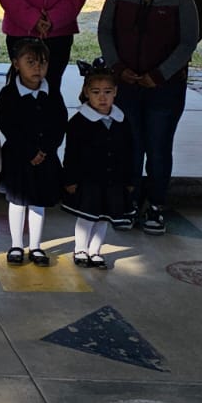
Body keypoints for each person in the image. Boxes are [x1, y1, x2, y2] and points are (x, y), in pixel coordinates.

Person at [99, 0, 199, 234]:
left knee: (158, 148)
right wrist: (118, 68)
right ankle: (128, 204)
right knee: (130, 147)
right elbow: (105, 31)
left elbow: (187, 42)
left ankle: (155, 205)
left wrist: (159, 74)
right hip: (126, 84)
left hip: (164, 88)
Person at [0, 38, 64, 267]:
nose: (37, 68)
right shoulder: (8, 94)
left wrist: (45, 150)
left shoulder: (53, 93)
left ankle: (36, 246)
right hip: (18, 158)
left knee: (38, 202)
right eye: (31, 62)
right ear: (17, 64)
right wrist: (29, 151)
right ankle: (16, 244)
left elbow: (59, 124)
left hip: (45, 159)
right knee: (17, 202)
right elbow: (8, 126)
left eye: (42, 63)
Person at [62, 60, 134, 270]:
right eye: (96, 92)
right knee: (87, 216)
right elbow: (71, 153)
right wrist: (70, 179)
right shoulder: (78, 122)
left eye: (107, 92)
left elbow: (130, 151)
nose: (102, 97)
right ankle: (80, 249)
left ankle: (95, 251)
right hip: (89, 180)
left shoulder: (122, 120)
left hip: (113, 181)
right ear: (87, 92)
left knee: (104, 217)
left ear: (115, 92)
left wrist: (130, 179)